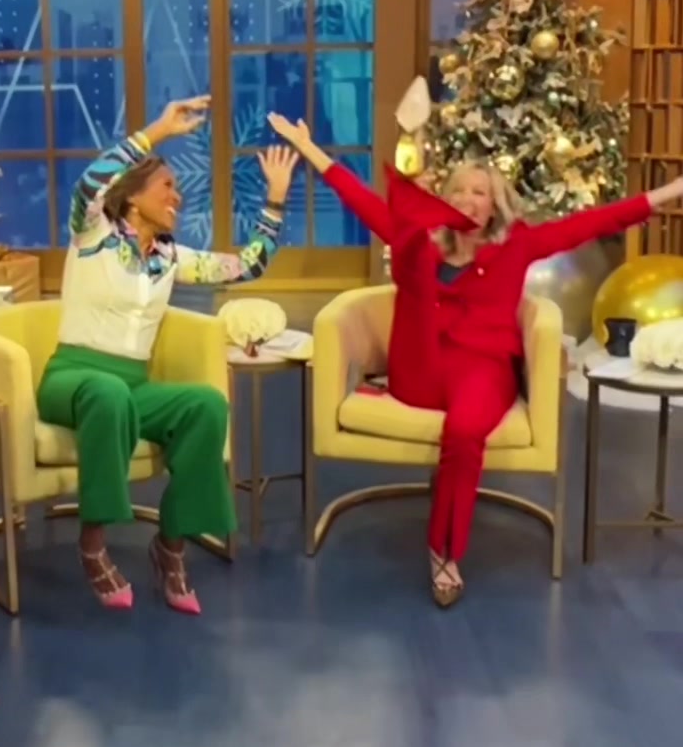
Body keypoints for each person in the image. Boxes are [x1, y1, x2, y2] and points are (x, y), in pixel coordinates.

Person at [268, 112, 683, 606]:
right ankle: (443, 535)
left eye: (479, 192)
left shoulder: (517, 244)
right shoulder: (418, 237)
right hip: (419, 370)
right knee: (454, 427)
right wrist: (309, 148)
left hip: (484, 366)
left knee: (465, 432)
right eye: (459, 190)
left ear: (494, 204)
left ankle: (444, 551)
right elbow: (358, 197)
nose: (467, 198)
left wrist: (667, 193)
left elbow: (587, 224)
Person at [39, 98, 297, 613]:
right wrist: (157, 130)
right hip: (72, 378)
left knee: (206, 405)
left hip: (132, 386)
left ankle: (171, 545)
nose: (178, 195)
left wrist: (274, 200)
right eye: (167, 186)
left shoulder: (171, 258)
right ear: (133, 198)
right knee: (107, 393)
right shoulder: (92, 233)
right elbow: (89, 182)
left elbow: (247, 266)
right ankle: (92, 543)